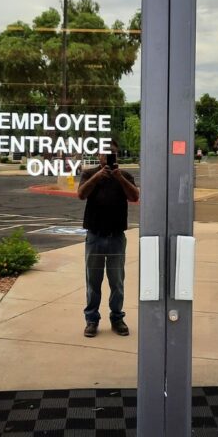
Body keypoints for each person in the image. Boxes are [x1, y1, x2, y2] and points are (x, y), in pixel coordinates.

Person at [77, 139, 139, 338]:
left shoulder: (125, 175)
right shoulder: (89, 174)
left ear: (117, 155)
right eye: (104, 153)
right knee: (93, 282)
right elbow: (81, 194)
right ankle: (92, 320)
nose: (108, 157)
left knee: (116, 282)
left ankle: (117, 318)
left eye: (112, 153)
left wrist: (120, 178)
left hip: (116, 237)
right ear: (98, 156)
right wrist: (96, 177)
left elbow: (134, 197)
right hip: (95, 236)